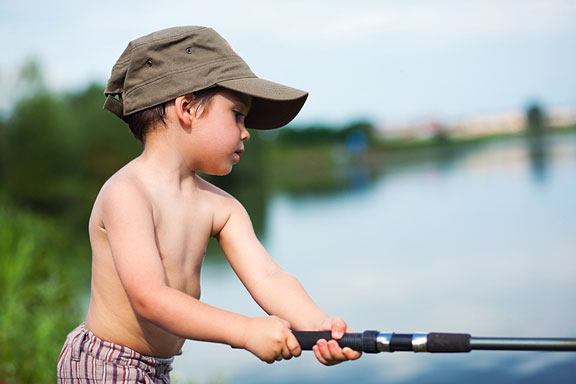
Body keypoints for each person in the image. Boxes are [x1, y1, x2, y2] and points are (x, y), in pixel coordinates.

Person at [57, 26, 361, 383]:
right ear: (186, 108)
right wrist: (245, 331)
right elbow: (150, 298)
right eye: (237, 115)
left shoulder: (221, 207)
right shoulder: (127, 193)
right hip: (105, 365)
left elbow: (269, 277)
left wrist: (319, 326)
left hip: (156, 369)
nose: (247, 132)